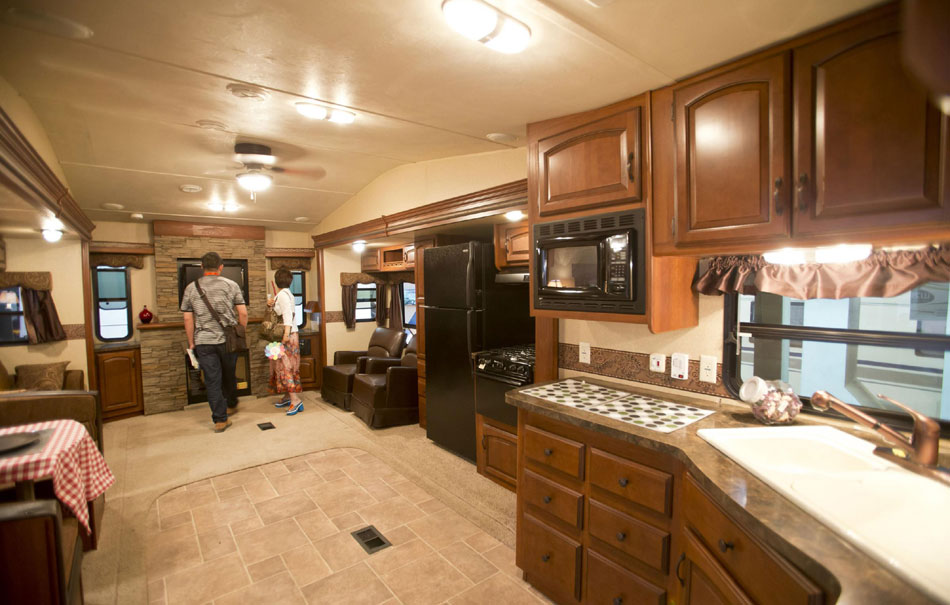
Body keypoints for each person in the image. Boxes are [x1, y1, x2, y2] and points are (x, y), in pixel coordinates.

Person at [181, 252, 248, 433]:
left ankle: (220, 420)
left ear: (202, 267)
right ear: (221, 267)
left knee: (212, 381)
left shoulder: (190, 288)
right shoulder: (231, 285)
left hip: (203, 341)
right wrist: (240, 332)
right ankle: (231, 403)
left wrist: (191, 342)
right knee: (229, 375)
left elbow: (188, 319)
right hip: (228, 340)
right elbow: (242, 313)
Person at [269, 268, 303, 415]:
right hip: (290, 333)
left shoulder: (282, 295)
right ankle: (288, 396)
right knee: (284, 366)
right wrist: (271, 304)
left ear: (277, 281)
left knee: (285, 368)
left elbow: (287, 315)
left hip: (286, 335)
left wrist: (286, 335)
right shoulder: (288, 294)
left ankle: (296, 400)